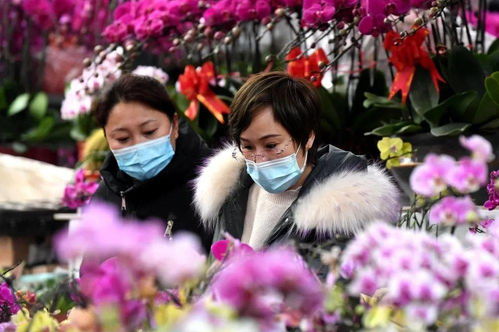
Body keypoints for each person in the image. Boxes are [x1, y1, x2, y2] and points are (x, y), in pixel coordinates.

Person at [194, 71, 400, 253]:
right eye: (247, 147)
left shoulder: (340, 212)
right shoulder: (233, 193)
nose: (259, 159)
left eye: (271, 145)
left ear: (308, 137)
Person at [91, 74, 212, 249]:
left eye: (149, 132)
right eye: (123, 138)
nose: (139, 145)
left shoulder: (211, 185)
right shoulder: (108, 195)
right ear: (106, 137)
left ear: (175, 126)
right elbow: (91, 270)